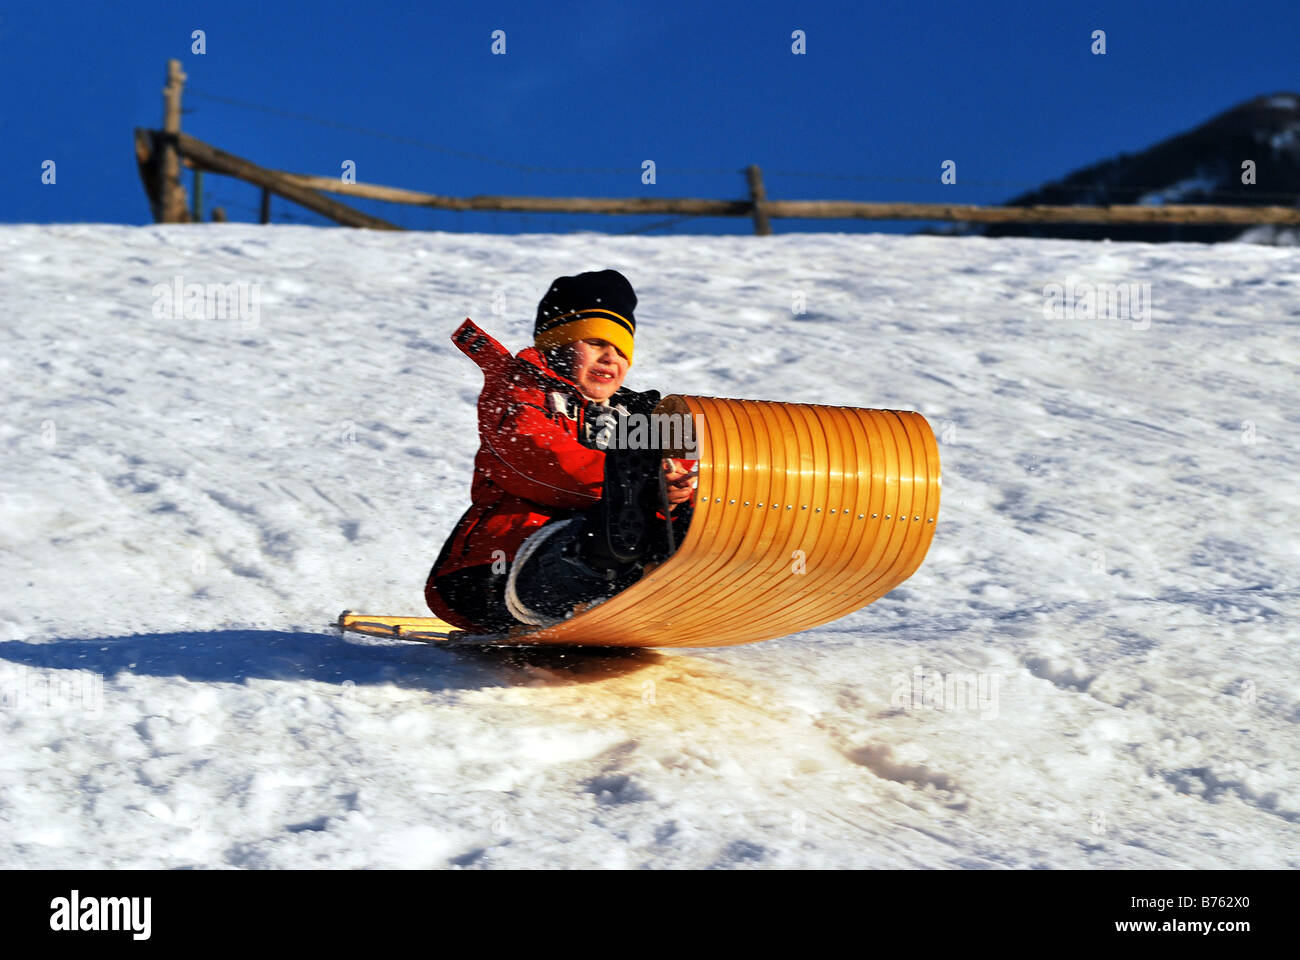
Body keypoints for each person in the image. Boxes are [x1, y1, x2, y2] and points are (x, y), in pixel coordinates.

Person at [425, 269, 696, 633]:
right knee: (600, 534)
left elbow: (672, 469)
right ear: (556, 345)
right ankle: (603, 571)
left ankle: (685, 572)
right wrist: (638, 484)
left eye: (621, 349)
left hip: (618, 551)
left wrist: (676, 489)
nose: (610, 357)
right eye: (596, 342)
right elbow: (539, 460)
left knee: (688, 511)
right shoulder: (519, 393)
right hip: (497, 571)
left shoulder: (635, 415)